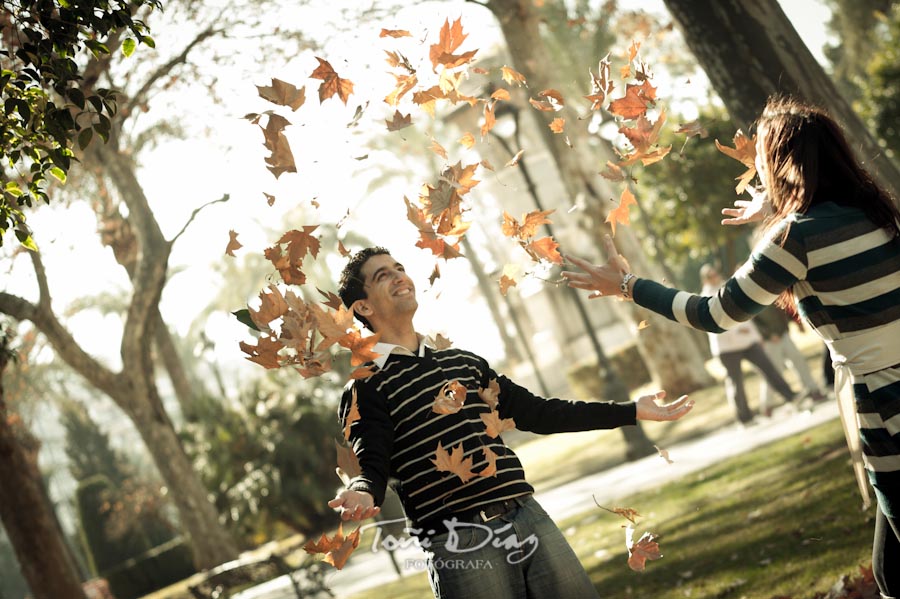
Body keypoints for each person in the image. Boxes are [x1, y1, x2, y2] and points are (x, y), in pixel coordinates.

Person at [561, 95, 900, 598]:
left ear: (781, 164)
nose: (757, 171)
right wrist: (779, 206)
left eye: (762, 160)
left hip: (887, 410)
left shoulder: (795, 237)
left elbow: (714, 314)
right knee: (890, 570)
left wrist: (629, 285)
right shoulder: (875, 211)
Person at [328, 246, 694, 599]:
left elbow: (541, 412)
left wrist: (629, 411)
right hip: (459, 542)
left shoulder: (464, 363)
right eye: (382, 276)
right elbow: (371, 462)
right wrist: (363, 489)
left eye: (399, 268)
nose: (398, 277)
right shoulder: (367, 385)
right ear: (363, 306)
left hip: (528, 517)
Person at [698, 263, 797, 424]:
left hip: (748, 342)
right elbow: (715, 321)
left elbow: (745, 313)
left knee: (768, 368)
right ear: (705, 280)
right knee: (736, 382)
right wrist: (737, 330)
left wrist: (756, 336)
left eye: (715, 273)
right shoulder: (706, 297)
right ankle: (745, 418)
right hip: (727, 348)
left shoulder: (727, 287)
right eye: (711, 275)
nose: (715, 276)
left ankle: (791, 397)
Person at [753, 303, 827, 416]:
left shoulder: (771, 290)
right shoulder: (752, 297)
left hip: (783, 334)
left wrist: (793, 324)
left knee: (799, 361)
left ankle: (813, 391)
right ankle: (767, 405)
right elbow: (752, 322)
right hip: (769, 341)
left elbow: (784, 308)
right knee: (773, 372)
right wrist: (767, 334)